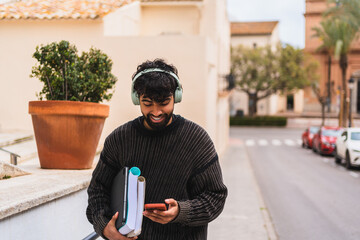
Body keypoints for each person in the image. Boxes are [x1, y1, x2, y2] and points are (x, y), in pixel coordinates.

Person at [86, 59, 228, 240]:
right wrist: (105, 227)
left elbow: (215, 197)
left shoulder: (196, 139)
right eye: (148, 103)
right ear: (137, 99)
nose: (156, 111)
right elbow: (98, 190)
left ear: (176, 97)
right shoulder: (119, 139)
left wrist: (180, 212)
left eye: (163, 103)